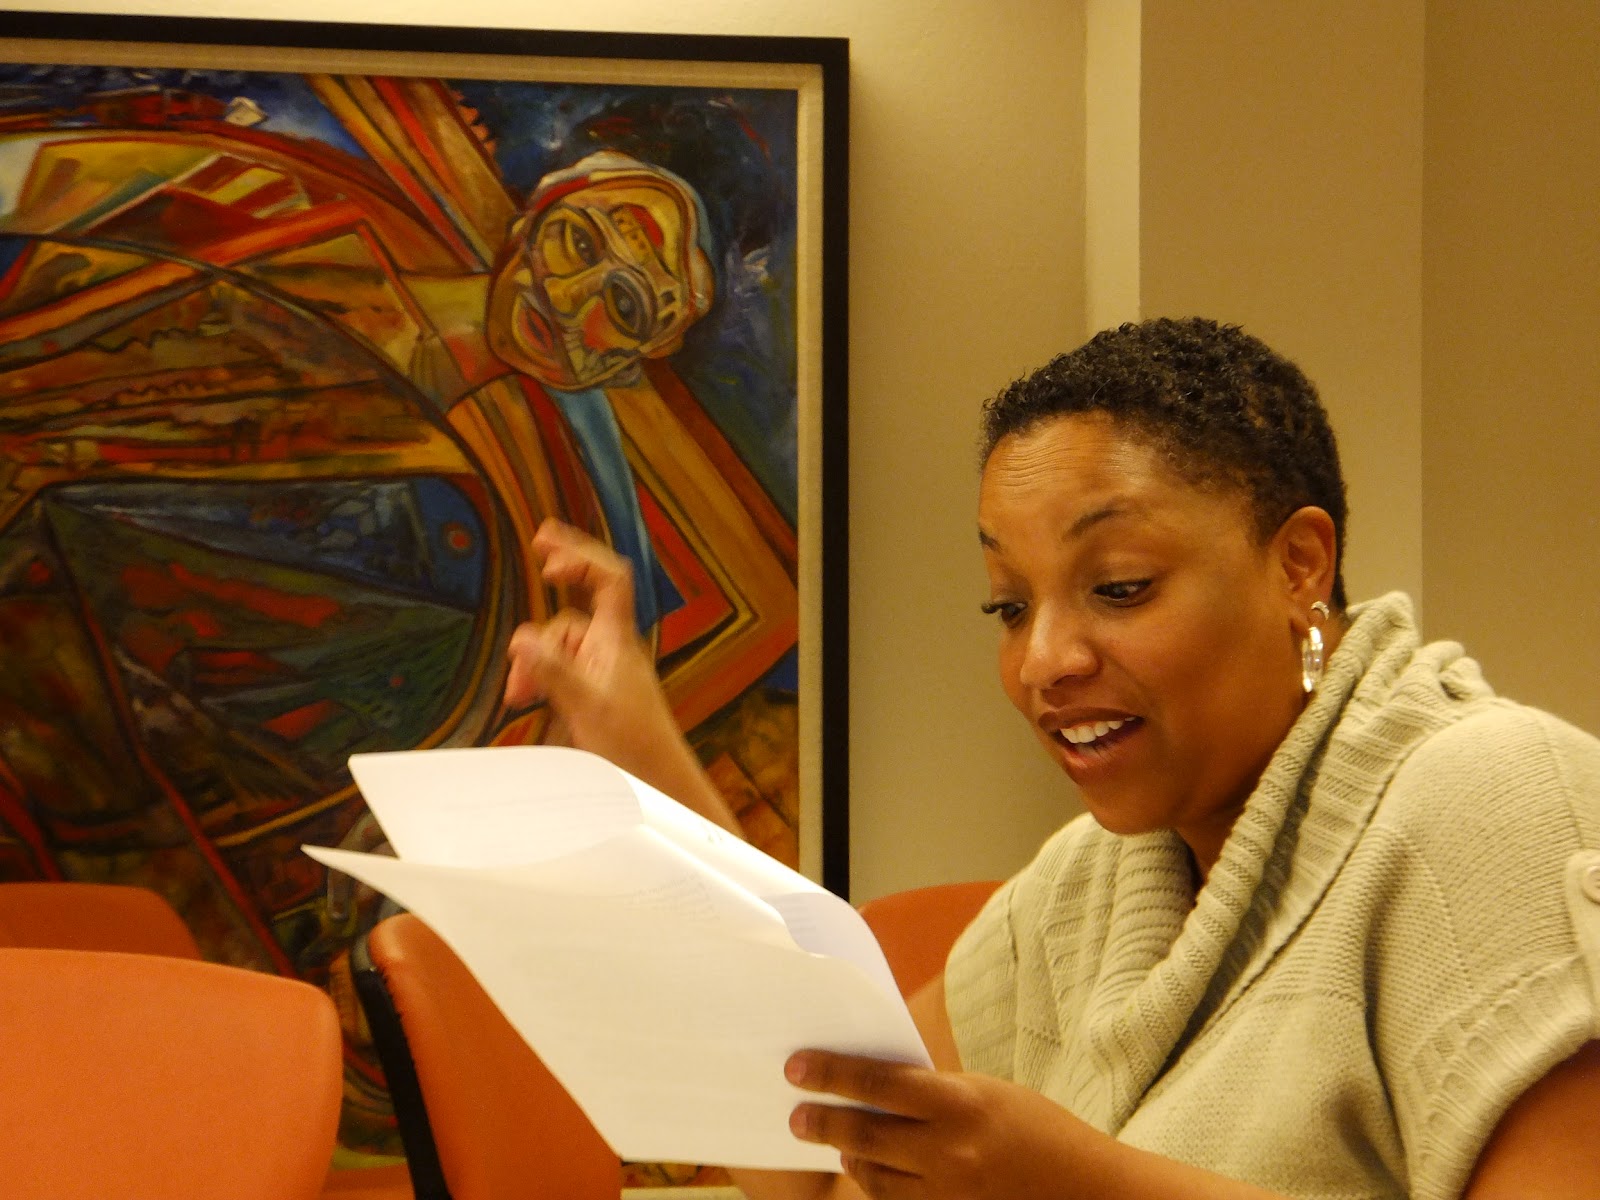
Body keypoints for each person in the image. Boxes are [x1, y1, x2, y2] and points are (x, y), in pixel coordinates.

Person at [503, 317, 1600, 1200]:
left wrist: (1082, 1188)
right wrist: (644, 751)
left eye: (1119, 587)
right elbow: (821, 1161)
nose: (1043, 661)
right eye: (1009, 605)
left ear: (1300, 564)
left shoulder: (1498, 801)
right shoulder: (1083, 888)